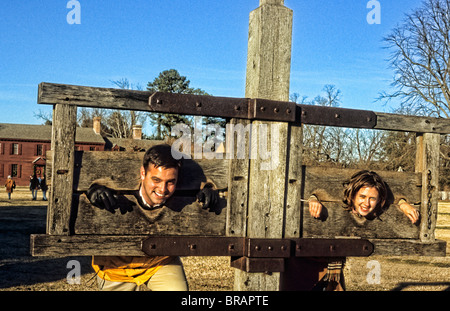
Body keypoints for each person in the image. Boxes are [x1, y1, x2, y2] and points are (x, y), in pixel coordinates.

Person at [85, 144, 219, 291]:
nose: (163, 189)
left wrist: (209, 190)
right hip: (115, 268)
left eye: (170, 182)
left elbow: (206, 183)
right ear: (142, 173)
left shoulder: (183, 191)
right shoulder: (117, 189)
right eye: (156, 180)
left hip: (160, 260)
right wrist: (91, 191)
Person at [306, 170, 420, 291]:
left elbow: (394, 198)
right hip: (304, 261)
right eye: (362, 196)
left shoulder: (378, 210)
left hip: (333, 267)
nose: (366, 203)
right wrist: (312, 199)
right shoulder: (340, 204)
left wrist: (402, 203)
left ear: (379, 200)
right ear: (353, 194)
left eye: (372, 198)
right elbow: (311, 191)